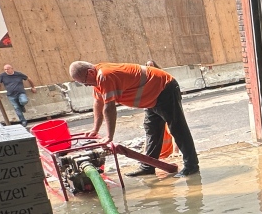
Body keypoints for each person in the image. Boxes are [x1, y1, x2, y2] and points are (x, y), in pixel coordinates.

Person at [68, 61, 199, 177]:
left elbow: (109, 108)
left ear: (90, 72)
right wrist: (95, 129)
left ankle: (191, 166)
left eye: (85, 82)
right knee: (152, 130)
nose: (86, 85)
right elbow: (98, 103)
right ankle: (148, 167)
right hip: (151, 97)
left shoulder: (104, 75)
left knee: (177, 128)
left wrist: (109, 136)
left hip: (163, 89)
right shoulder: (97, 80)